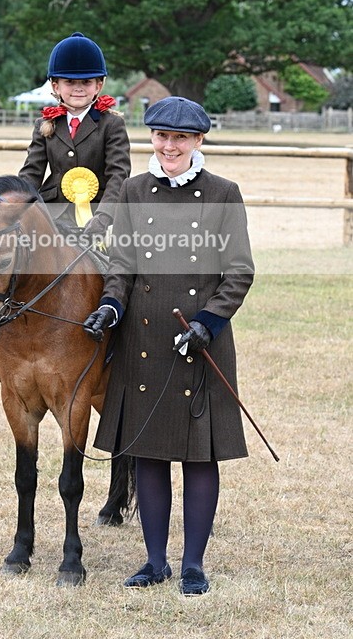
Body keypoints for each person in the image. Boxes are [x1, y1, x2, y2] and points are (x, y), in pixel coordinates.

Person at [83, 96, 254, 595]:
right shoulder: (134, 191)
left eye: (180, 138)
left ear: (199, 140)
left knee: (200, 457)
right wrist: (112, 306)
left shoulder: (224, 192)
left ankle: (194, 565)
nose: (169, 146)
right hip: (143, 342)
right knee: (150, 455)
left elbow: (239, 271)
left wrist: (207, 322)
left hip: (201, 341)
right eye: (161, 136)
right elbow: (123, 268)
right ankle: (155, 562)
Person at [18, 32, 131, 237]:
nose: (78, 89)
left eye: (86, 82)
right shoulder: (43, 125)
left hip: (96, 215)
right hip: (52, 214)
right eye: (69, 82)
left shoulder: (112, 124)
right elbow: (32, 173)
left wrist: (104, 216)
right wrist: (17, 205)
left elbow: (118, 174)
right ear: (56, 86)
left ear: (98, 85)